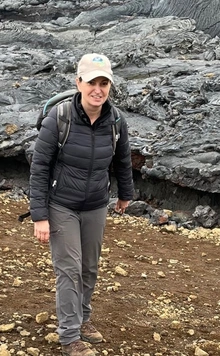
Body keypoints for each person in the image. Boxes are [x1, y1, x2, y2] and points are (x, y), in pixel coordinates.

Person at [29, 53, 134, 356]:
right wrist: (39, 216)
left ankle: (83, 318)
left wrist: (125, 194)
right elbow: (39, 168)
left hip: (96, 205)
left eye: (104, 83)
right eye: (91, 82)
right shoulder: (58, 119)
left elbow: (122, 161)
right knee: (69, 269)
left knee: (89, 268)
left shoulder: (115, 121)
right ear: (78, 83)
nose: (98, 89)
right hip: (61, 205)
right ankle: (70, 337)